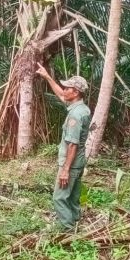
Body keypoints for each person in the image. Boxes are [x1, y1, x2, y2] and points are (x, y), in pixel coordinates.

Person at [35, 64, 92, 230]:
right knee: (73, 197)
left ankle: (67, 230)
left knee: (59, 198)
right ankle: (75, 223)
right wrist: (47, 76)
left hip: (71, 164)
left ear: (76, 92)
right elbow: (60, 94)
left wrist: (65, 170)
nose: (64, 90)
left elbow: (72, 144)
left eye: (68, 88)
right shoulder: (81, 108)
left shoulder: (75, 115)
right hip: (78, 162)